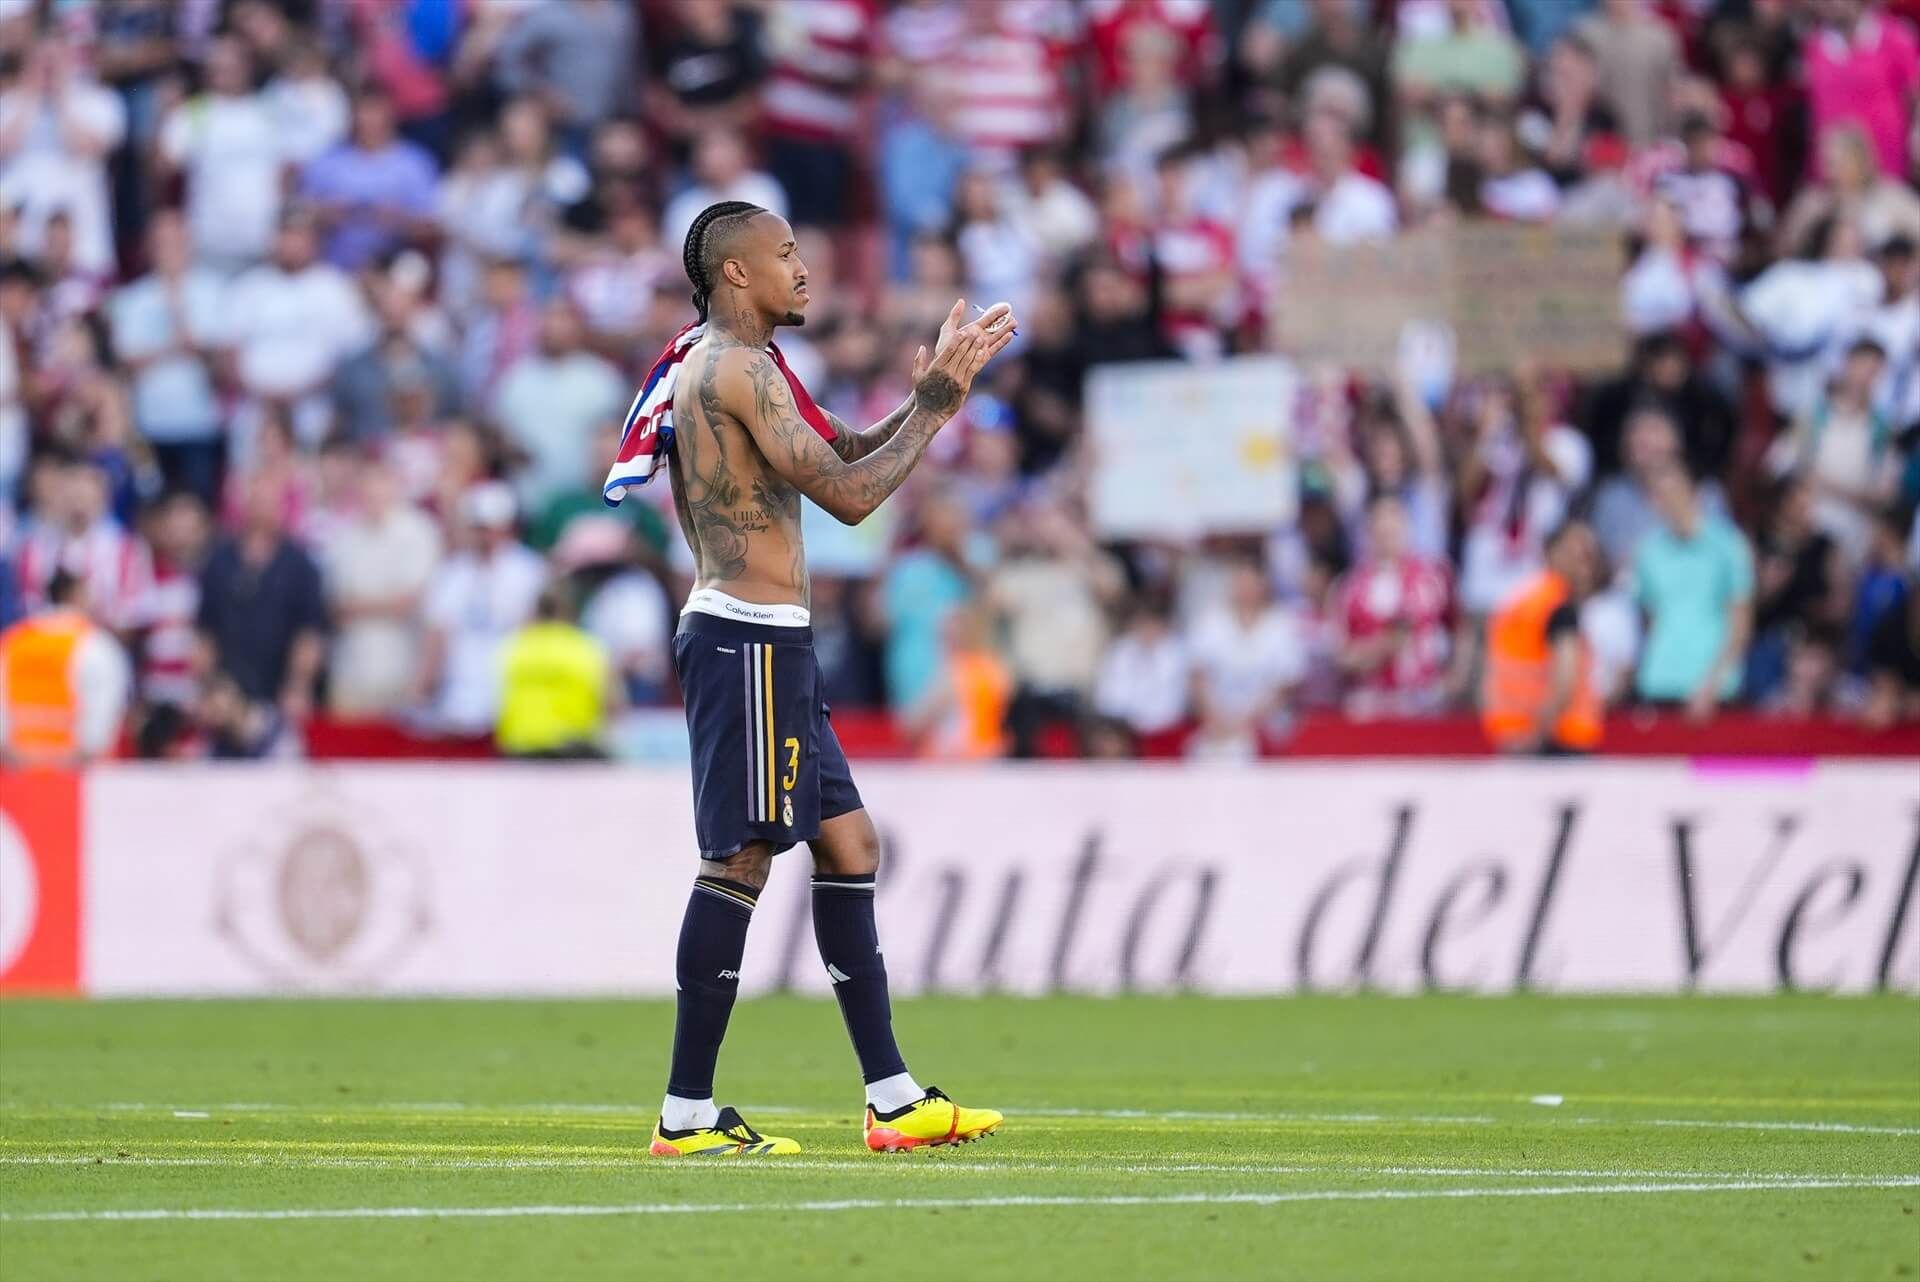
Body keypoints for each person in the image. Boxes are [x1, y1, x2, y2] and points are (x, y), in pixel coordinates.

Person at [610, 200, 1015, 1157]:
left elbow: (841, 451)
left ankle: (894, 1099)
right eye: (785, 253)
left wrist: (927, 398)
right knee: (740, 861)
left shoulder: (748, 366)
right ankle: (685, 1113)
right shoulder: (735, 368)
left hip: (773, 643)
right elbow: (851, 497)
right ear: (735, 272)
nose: (803, 268)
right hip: (744, 639)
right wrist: (936, 413)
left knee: (849, 843)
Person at [1632, 462, 1755, 719]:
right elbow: (1650, 619)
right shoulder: (1648, 551)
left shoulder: (1728, 544)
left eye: (1674, 492)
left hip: (1716, 690)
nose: (1667, 501)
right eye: (1658, 495)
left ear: (1693, 492)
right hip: (1659, 682)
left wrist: (1713, 684)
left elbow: (1740, 624)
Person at [1482, 519, 1605, 755]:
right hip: (1557, 740)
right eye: (1579, 556)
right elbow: (1566, 679)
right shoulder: (1559, 608)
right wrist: (1537, 733)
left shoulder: (1521, 602)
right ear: (1553, 553)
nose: (1585, 567)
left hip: (1513, 734)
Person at [0, 570, 131, 767]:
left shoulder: (14, 642)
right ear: (75, 595)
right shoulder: (95, 645)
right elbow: (103, 715)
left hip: (15, 768)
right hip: (75, 771)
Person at [496, 580, 614, 758]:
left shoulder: (512, 647)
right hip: (573, 748)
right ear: (567, 611)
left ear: (536, 611)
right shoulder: (585, 647)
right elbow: (610, 702)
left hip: (522, 748)